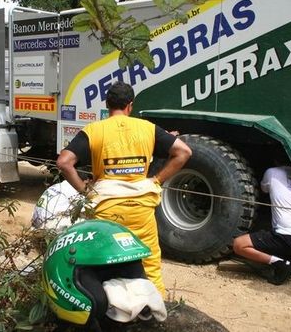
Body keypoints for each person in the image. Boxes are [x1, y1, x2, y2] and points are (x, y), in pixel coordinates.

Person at [56, 81, 192, 296]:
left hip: (107, 209)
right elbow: (183, 152)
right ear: (130, 105)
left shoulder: (94, 130)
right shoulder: (147, 128)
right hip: (142, 208)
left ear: (107, 104)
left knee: (106, 261)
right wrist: (156, 180)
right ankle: (157, 310)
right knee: (149, 263)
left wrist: (84, 190)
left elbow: (64, 162)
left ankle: (109, 308)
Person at [233, 165, 291, 285]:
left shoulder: (272, 171)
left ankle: (281, 265)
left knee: (239, 244)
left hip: (289, 238)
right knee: (286, 247)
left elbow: (264, 190)